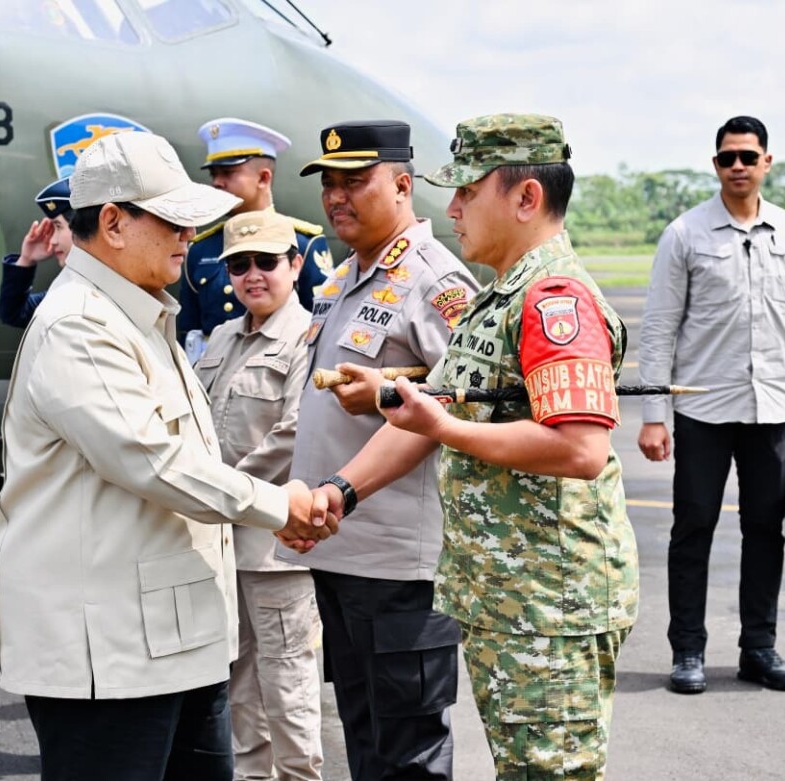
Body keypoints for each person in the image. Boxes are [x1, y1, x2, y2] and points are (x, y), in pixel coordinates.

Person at [0, 131, 336, 781]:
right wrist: (278, 506)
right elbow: (152, 460)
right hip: (112, 657)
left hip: (176, 644)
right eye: (173, 220)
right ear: (113, 223)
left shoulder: (139, 316)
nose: (190, 235)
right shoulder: (81, 324)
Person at [311, 114, 640, 780]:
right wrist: (342, 490)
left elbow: (580, 448)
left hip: (550, 601)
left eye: (467, 190)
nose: (453, 208)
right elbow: (429, 415)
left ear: (527, 198)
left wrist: (444, 429)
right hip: (507, 596)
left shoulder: (555, 298)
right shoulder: (500, 297)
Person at [278, 120, 480, 781]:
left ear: (401, 185)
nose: (336, 196)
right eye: (329, 183)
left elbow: (465, 400)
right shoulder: (344, 277)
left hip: (395, 566)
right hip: (339, 550)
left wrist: (388, 393)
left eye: (354, 181)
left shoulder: (434, 280)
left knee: (407, 751)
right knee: (365, 736)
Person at [637, 115, 785, 695]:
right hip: (703, 411)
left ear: (767, 161)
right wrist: (653, 415)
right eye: (727, 157)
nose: (737, 166)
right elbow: (659, 328)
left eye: (747, 156)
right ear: (714, 164)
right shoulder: (685, 234)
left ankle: (758, 649)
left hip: (774, 410)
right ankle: (687, 651)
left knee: (765, 532)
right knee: (693, 529)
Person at [194, 210, 323, 781]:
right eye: (238, 265)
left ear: (294, 265)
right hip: (220, 540)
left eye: (266, 262)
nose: (252, 275)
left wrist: (217, 492)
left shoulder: (309, 338)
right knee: (238, 683)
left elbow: (295, 433)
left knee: (286, 681)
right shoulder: (223, 336)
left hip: (275, 546)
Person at [178, 117, 333, 353]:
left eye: (228, 172)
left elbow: (323, 326)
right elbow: (187, 331)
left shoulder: (302, 243)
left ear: (263, 178)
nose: (217, 182)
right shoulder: (200, 249)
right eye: (214, 174)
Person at [0, 177, 74, 328]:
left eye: (58, 227)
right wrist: (27, 259)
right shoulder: (68, 292)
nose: (53, 240)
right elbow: (14, 313)